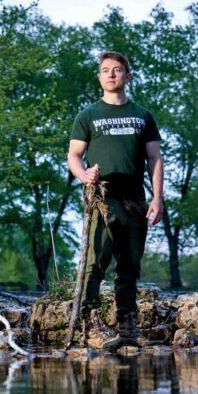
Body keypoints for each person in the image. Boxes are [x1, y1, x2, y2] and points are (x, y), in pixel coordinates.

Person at [67, 51, 164, 347]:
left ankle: (128, 328)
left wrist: (157, 198)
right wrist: (84, 176)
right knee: (96, 263)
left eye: (117, 70)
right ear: (99, 77)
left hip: (135, 200)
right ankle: (91, 325)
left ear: (128, 76)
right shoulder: (88, 115)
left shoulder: (143, 115)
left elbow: (155, 158)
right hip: (101, 200)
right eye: (106, 70)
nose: (111, 74)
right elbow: (74, 155)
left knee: (129, 266)